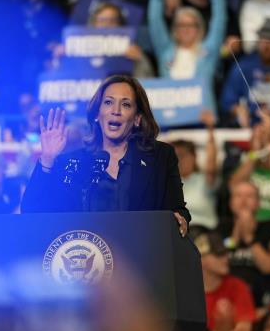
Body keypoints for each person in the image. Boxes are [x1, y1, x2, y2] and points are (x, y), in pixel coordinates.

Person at [21, 74, 190, 237]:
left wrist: (179, 218)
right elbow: (32, 211)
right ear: (96, 114)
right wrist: (48, 159)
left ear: (137, 118)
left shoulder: (160, 157)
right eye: (108, 102)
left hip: (142, 257)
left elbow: (178, 210)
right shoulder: (72, 163)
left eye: (126, 105)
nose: (115, 110)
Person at [147, 0, 226, 115]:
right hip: (170, 120)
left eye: (191, 25)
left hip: (202, 120)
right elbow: (154, 21)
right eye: (181, 25)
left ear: (199, 28)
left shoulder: (207, 52)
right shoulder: (166, 51)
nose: (186, 29)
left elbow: (219, 20)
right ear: (174, 29)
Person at [218, 180, 270, 290]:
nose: (243, 201)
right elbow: (217, 263)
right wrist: (236, 234)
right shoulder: (221, 228)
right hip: (226, 290)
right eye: (238, 196)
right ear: (230, 203)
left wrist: (249, 237)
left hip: (261, 291)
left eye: (249, 196)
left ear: (258, 203)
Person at [228, 115, 270, 224]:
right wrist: (255, 152)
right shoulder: (245, 167)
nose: (262, 142)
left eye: (267, 139)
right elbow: (234, 186)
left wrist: (269, 147)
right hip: (253, 222)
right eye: (258, 139)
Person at [194, 231, 256, 331]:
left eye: (225, 253)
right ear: (201, 258)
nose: (226, 258)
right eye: (219, 255)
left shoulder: (237, 286)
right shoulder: (187, 291)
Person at [170, 113, 218, 234]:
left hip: (204, 233)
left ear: (194, 157)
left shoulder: (204, 180)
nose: (178, 161)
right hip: (175, 234)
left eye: (182, 155)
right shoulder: (166, 185)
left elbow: (211, 166)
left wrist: (211, 129)